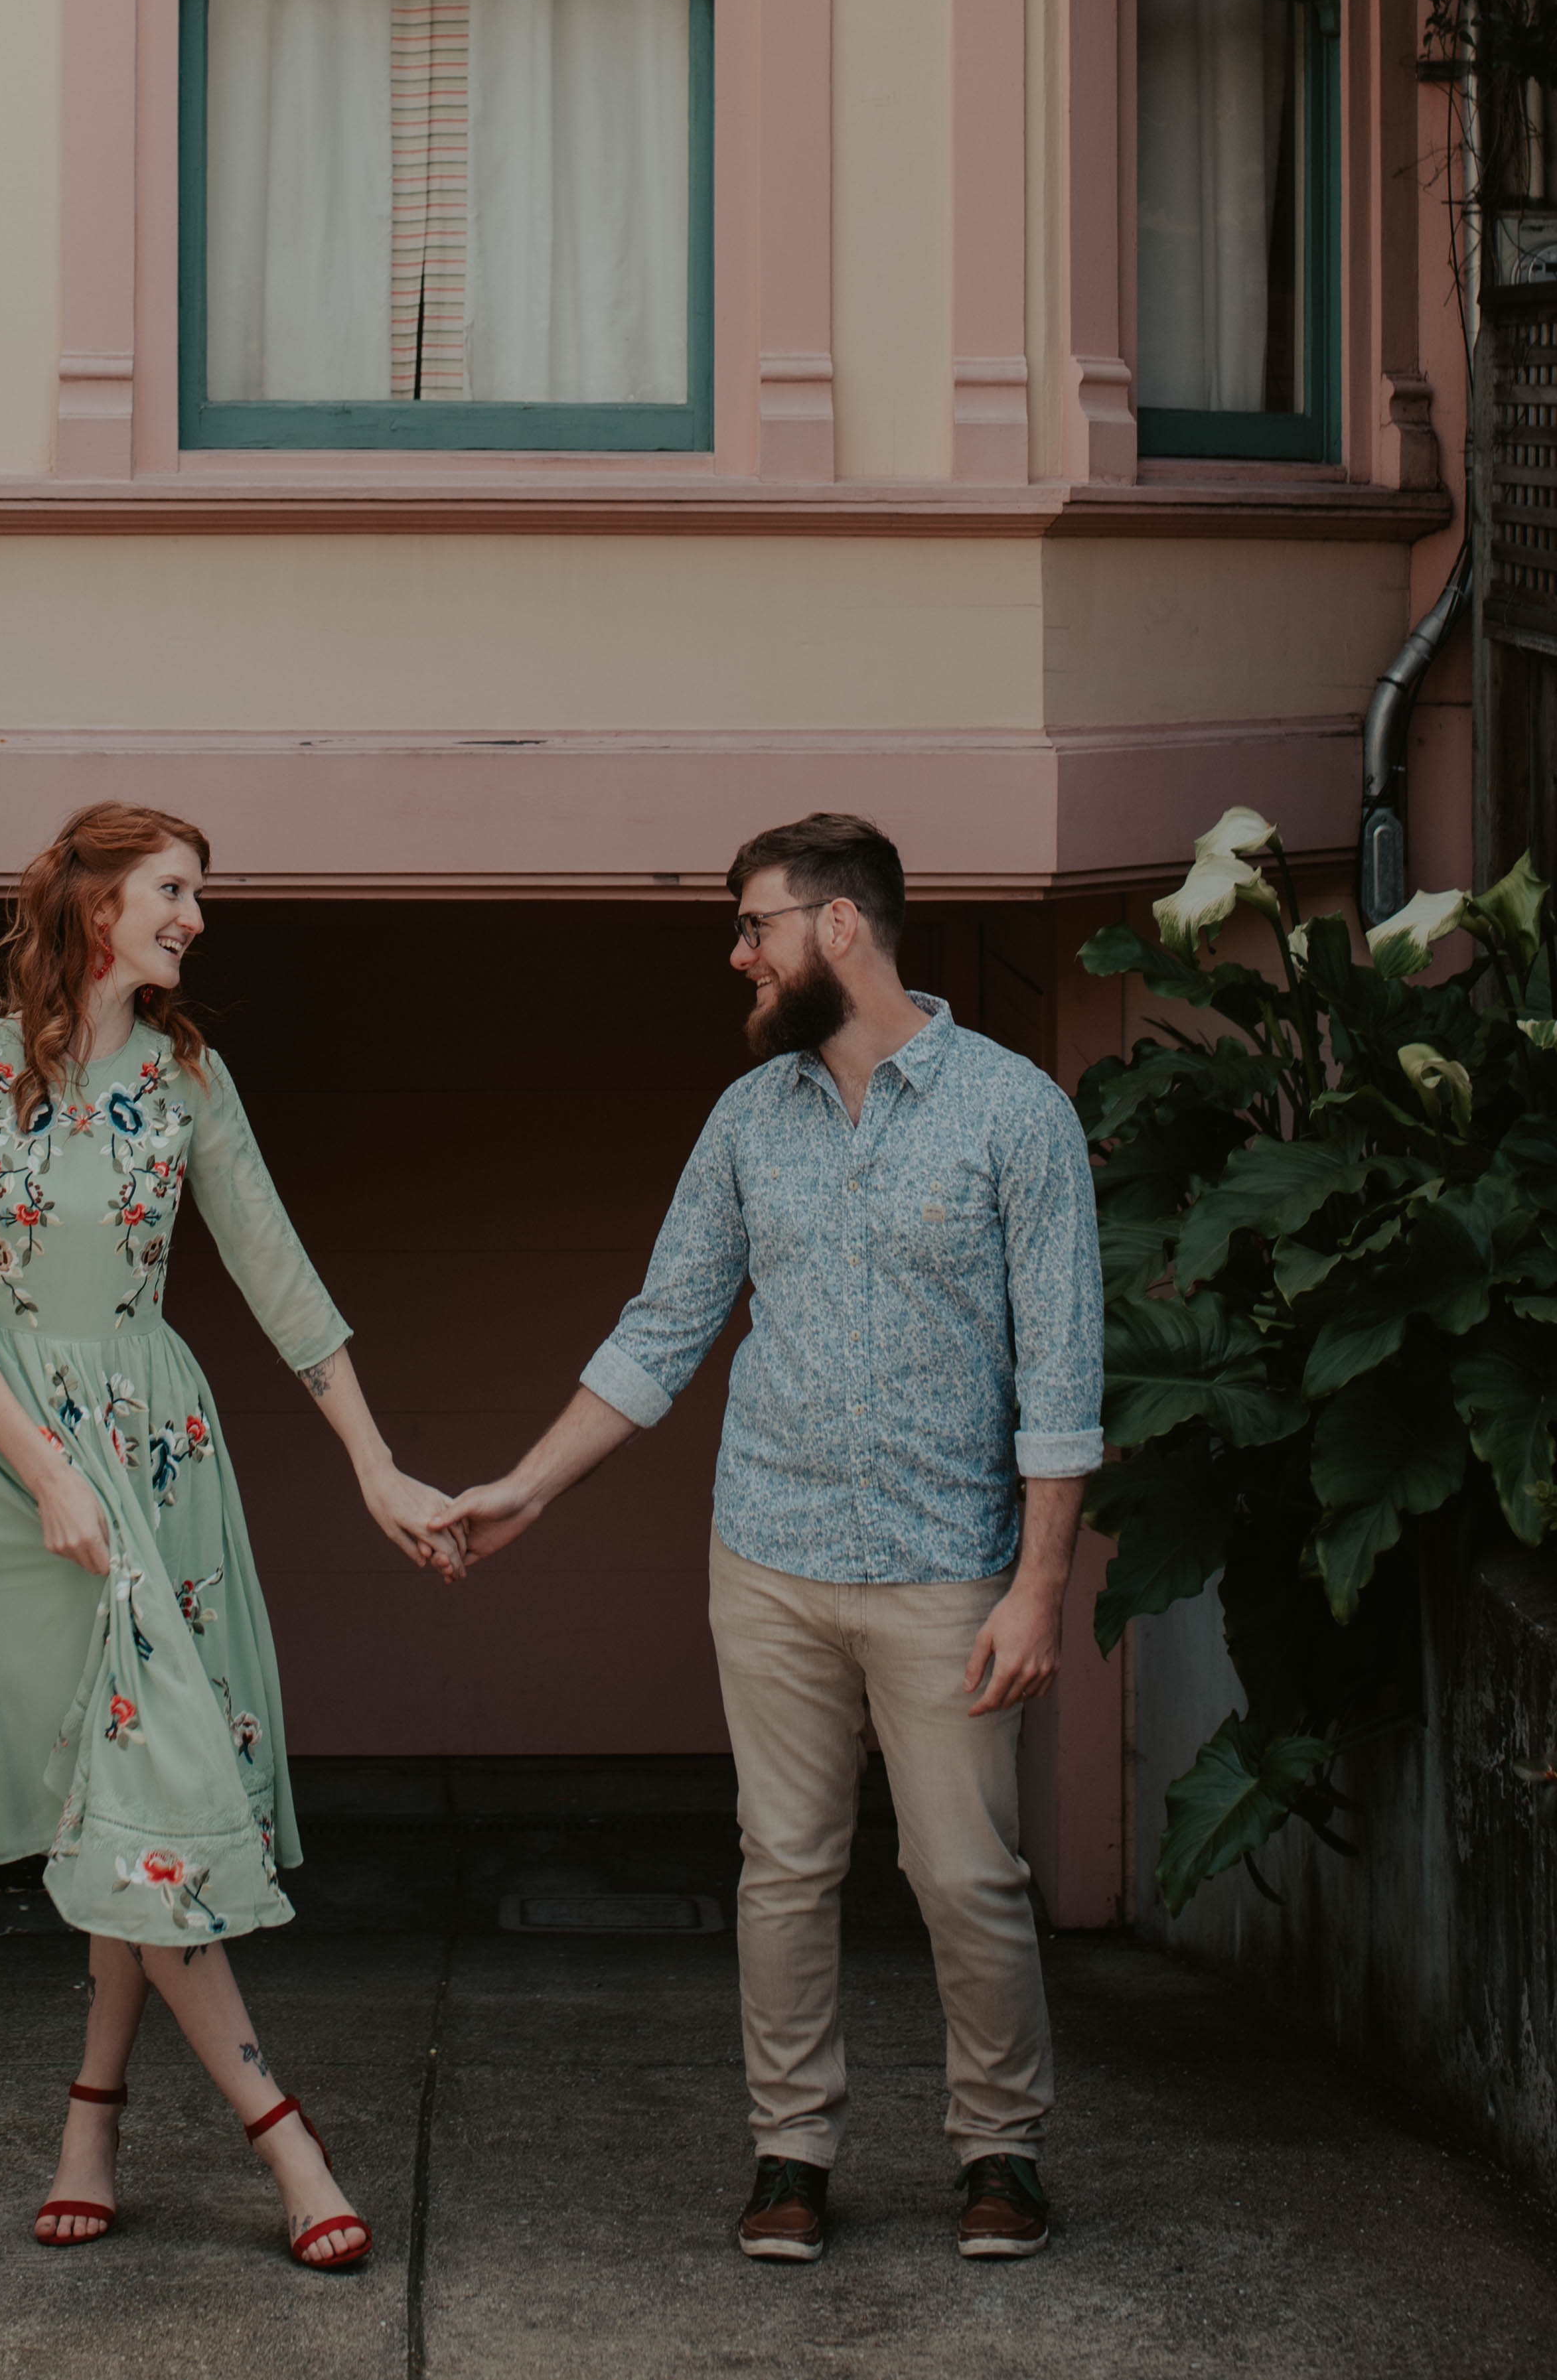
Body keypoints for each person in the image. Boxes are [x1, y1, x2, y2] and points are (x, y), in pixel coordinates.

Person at [437, 812, 1104, 2271]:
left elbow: (1062, 1374)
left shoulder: (1014, 1113)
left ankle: (1000, 2148)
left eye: (756, 924)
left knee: (965, 1875)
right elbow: (662, 1328)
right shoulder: (749, 1120)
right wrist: (525, 1488)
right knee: (783, 1865)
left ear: (838, 926)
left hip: (946, 1565)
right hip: (770, 1556)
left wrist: (1040, 1586)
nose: (739, 954)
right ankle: (791, 2151)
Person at [0, 798, 463, 2269]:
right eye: (174, 890)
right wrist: (46, 1472)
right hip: (17, 1465)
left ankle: (98, 2117)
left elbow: (280, 1273)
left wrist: (375, 1465)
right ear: (98, 905)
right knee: (124, 1796)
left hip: (158, 1453)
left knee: (139, 1798)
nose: (195, 919)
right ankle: (280, 2132)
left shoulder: (187, 1076)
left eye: (197, 894)